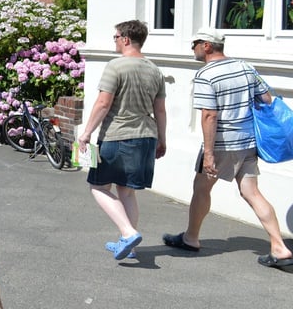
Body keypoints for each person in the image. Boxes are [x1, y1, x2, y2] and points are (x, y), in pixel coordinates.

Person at [163, 28, 293, 270]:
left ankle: (191, 238)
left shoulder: (206, 75)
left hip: (222, 143)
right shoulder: (245, 67)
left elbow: (209, 115)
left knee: (201, 188)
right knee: (252, 192)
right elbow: (267, 99)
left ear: (207, 46)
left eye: (195, 43)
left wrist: (209, 154)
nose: (192, 48)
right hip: (248, 141)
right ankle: (279, 246)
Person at [77, 20, 166, 260]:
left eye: (115, 37)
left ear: (126, 39)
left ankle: (128, 233)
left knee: (98, 186)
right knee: (126, 192)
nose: (114, 41)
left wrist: (86, 133)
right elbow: (160, 110)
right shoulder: (154, 70)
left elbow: (103, 103)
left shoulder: (115, 66)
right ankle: (130, 247)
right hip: (146, 136)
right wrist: (162, 139)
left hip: (118, 135)